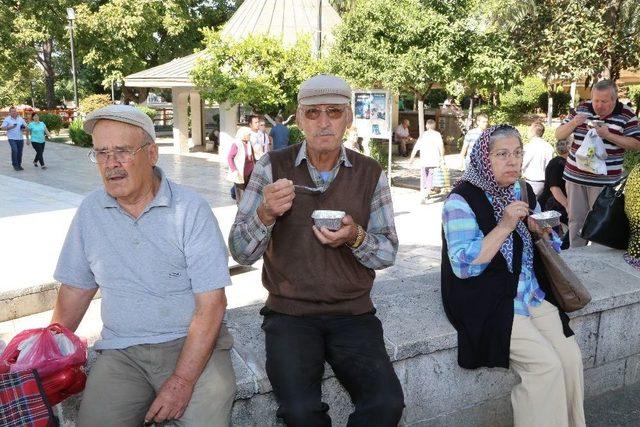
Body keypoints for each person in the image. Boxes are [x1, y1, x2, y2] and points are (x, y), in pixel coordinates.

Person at [229, 74, 404, 426]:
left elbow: (387, 252)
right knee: (299, 413)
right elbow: (239, 252)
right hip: (289, 315)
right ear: (299, 117)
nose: (323, 122)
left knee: (386, 403)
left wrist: (355, 237)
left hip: (353, 314)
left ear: (348, 118)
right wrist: (265, 213)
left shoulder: (370, 172)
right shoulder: (272, 167)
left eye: (334, 112)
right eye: (313, 113)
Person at [51, 105, 236, 427]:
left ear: (151, 154)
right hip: (122, 352)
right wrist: (48, 350)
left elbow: (212, 306)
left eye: (122, 151)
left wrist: (181, 381)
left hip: (191, 346)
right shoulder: (91, 211)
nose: (111, 163)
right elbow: (76, 289)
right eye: (101, 153)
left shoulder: (190, 209)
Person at [441, 125, 585, 427]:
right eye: (502, 154)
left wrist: (539, 229)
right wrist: (505, 225)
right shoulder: (460, 200)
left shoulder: (521, 189)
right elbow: (463, 266)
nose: (513, 161)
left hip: (530, 292)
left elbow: (548, 244)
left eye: (518, 153)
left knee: (569, 360)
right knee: (545, 367)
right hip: (488, 299)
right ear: (484, 158)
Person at [555, 79, 640, 247]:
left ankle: (599, 261)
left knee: (603, 222)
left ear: (614, 99)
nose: (598, 106)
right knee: (575, 221)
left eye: (604, 101)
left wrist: (608, 135)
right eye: (595, 100)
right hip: (575, 178)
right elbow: (558, 134)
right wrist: (574, 122)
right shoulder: (581, 109)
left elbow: (636, 144)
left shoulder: (626, 114)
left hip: (605, 183)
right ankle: (576, 259)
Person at [409, 119, 444, 203]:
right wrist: (442, 158)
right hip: (434, 160)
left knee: (425, 177)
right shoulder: (437, 134)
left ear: (426, 126)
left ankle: (425, 193)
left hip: (424, 160)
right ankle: (425, 194)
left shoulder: (423, 135)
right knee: (430, 178)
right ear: (434, 126)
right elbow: (441, 146)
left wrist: (411, 159)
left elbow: (416, 148)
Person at [538, 139, 570, 228]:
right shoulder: (558, 163)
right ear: (569, 147)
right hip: (552, 207)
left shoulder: (561, 162)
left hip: (555, 207)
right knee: (555, 238)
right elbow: (554, 188)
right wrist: (568, 206)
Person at [522, 122, 554, 196]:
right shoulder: (549, 147)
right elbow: (549, 166)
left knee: (529, 205)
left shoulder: (529, 147)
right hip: (544, 182)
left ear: (532, 132)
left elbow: (523, 163)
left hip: (530, 182)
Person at [227, 126, 255, 204]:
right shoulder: (237, 144)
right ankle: (241, 211)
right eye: (248, 134)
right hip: (239, 173)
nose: (250, 136)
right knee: (241, 196)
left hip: (249, 173)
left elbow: (252, 157)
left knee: (248, 194)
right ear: (243, 135)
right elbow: (230, 157)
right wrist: (234, 170)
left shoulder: (249, 143)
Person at [1, 106, 28, 171]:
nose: (14, 112)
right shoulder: (7, 119)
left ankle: (19, 164)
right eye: (12, 111)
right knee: (15, 150)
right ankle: (15, 165)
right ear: (9, 112)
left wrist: (23, 128)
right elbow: (2, 127)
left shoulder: (20, 119)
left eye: (15, 111)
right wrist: (10, 127)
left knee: (20, 152)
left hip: (20, 138)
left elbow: (26, 127)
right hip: (11, 138)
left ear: (16, 112)